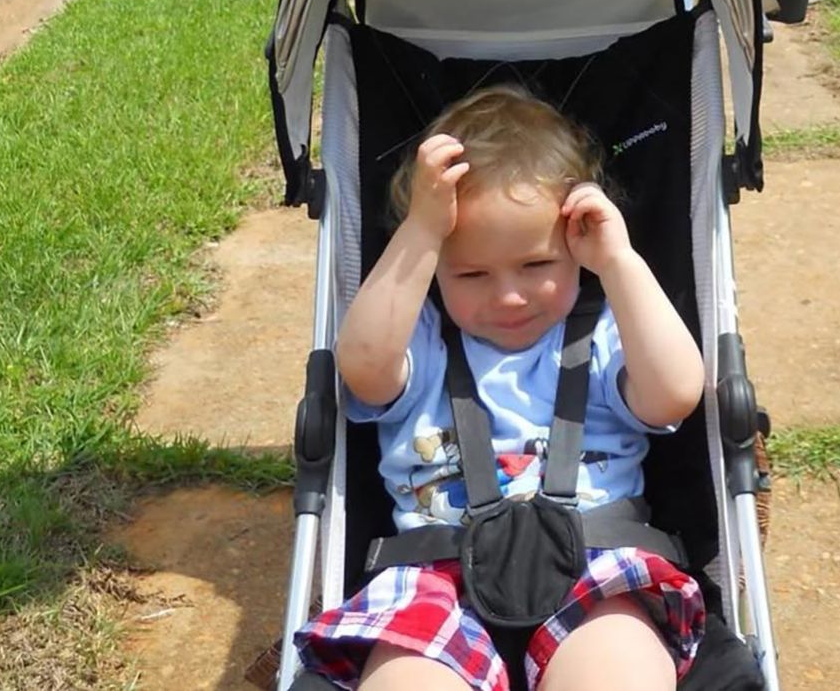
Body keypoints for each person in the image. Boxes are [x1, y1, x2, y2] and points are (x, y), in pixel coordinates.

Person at [294, 85, 706, 690]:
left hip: (596, 573)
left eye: (537, 266)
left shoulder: (605, 335)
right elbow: (360, 367)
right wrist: (422, 233)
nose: (509, 296)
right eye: (472, 273)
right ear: (437, 269)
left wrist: (618, 262)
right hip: (436, 580)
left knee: (619, 669)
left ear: (575, 251)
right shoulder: (421, 344)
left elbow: (674, 393)